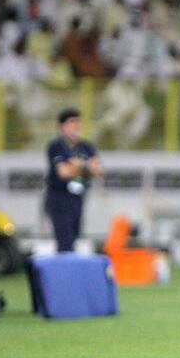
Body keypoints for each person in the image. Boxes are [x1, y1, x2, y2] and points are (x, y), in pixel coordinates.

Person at [45, 108, 102, 252]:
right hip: (59, 197)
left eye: (77, 122)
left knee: (75, 235)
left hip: (77, 196)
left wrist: (79, 165)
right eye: (72, 122)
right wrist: (86, 167)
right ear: (62, 127)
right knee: (65, 239)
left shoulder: (86, 146)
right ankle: (63, 271)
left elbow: (98, 170)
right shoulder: (56, 146)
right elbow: (63, 172)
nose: (76, 126)